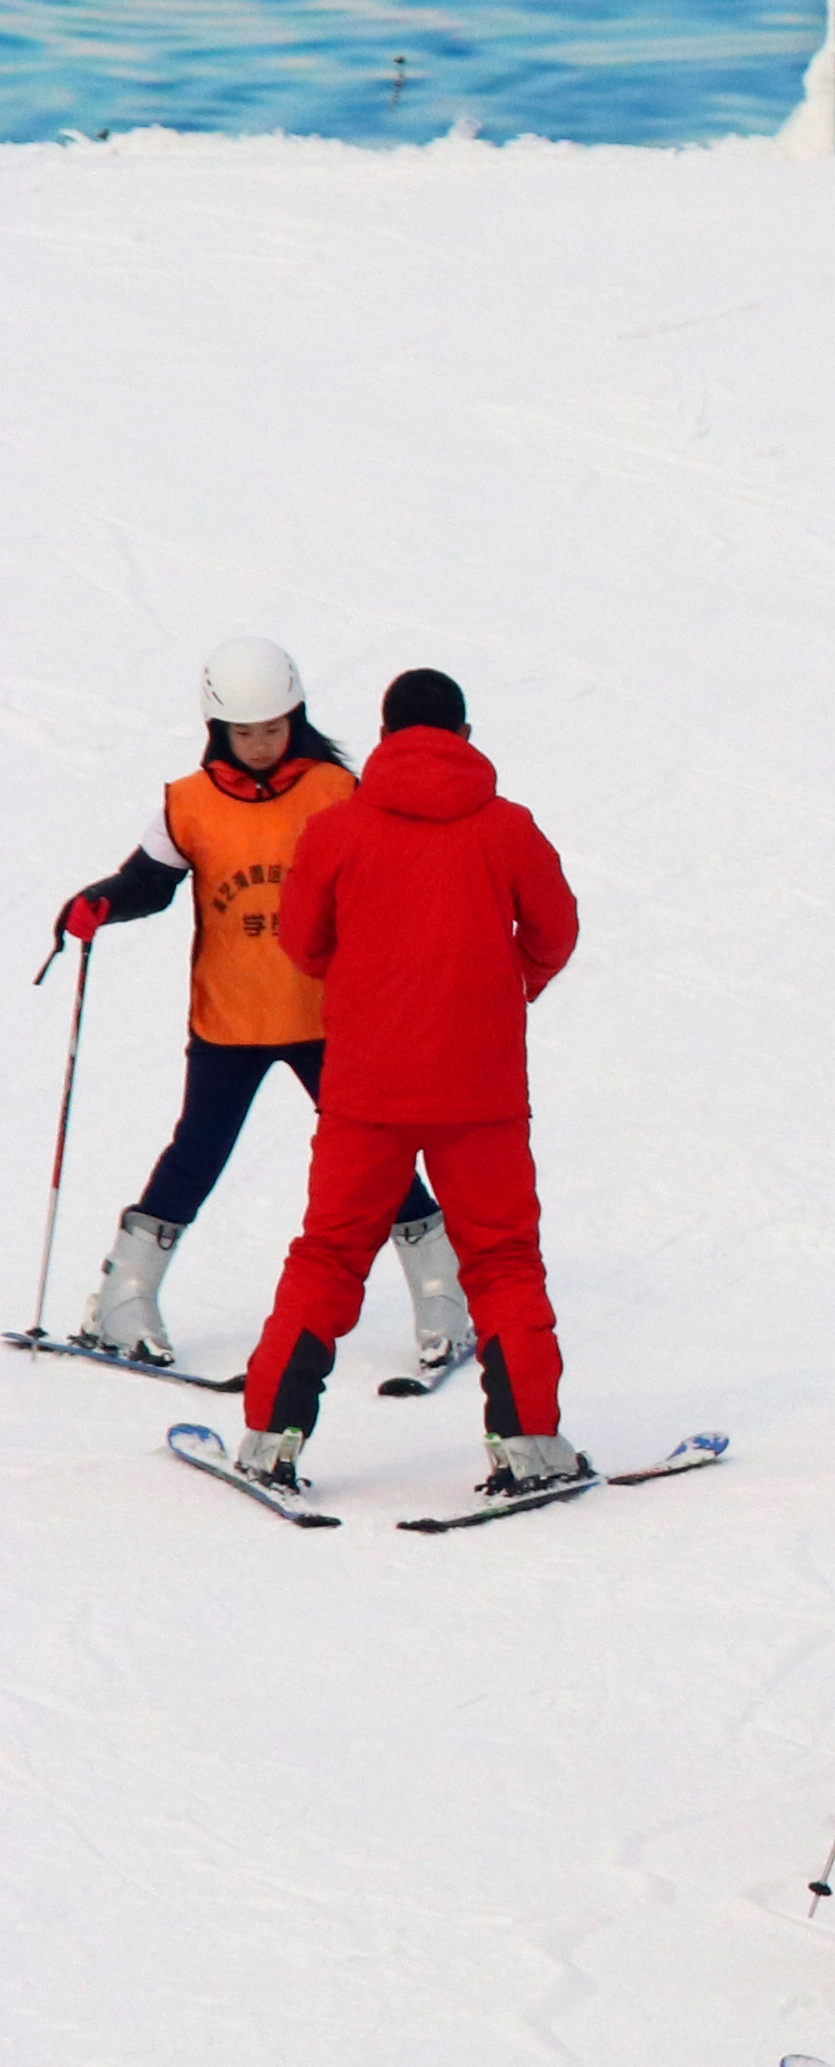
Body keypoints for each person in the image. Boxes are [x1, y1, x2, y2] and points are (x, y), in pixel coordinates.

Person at [43, 640, 466, 1386]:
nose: (264, 743)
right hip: (229, 1023)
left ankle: (442, 1296)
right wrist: (98, 903)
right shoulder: (189, 804)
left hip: (331, 1020)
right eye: (247, 732)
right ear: (218, 728)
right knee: (196, 1156)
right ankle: (122, 1299)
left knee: (378, 1158)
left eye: (275, 726)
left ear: (296, 716)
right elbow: (149, 880)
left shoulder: (338, 789)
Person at [232, 669, 575, 1499]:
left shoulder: (336, 828)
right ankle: (527, 1443)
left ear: (384, 737)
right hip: (480, 1089)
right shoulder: (508, 828)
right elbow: (556, 931)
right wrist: (504, 984)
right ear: (464, 730)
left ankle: (270, 1438)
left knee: (330, 1253)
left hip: (366, 1086)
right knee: (501, 1262)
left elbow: (306, 941)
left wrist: (364, 987)